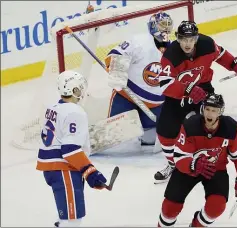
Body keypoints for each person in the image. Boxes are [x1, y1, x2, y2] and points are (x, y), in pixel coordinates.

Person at [154, 20, 237, 183]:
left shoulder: (207, 45)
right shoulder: (171, 55)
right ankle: (174, 165)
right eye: (184, 39)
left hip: (203, 88)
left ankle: (214, 161)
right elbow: (165, 84)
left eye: (191, 39)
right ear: (177, 38)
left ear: (197, 38)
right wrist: (188, 90)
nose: (187, 43)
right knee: (165, 130)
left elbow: (221, 55)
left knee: (211, 124)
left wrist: (236, 64)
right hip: (179, 93)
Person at [157, 93, 237, 227]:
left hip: (216, 170)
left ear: (220, 112)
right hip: (189, 170)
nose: (210, 114)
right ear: (202, 109)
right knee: (169, 209)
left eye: (214, 110)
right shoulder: (190, 125)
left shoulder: (232, 128)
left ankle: (197, 225)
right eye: (207, 109)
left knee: (216, 206)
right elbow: (179, 157)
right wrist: (193, 165)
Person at [36, 70, 107, 227]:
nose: (82, 92)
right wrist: (90, 172)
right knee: (73, 219)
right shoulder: (75, 112)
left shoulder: (53, 107)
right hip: (64, 168)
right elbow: (69, 149)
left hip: (51, 168)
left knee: (65, 214)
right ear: (74, 90)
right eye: (80, 88)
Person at [104, 11, 173, 147]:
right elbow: (114, 55)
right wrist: (118, 71)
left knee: (150, 143)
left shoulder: (174, 50)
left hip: (155, 104)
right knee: (115, 139)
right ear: (153, 26)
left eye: (167, 26)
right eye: (161, 25)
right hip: (126, 96)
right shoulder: (138, 41)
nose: (165, 29)